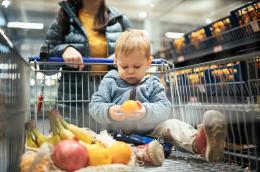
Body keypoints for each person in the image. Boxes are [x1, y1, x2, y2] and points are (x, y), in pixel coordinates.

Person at [89, 29, 227, 162]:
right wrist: (109, 111)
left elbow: (164, 108)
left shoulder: (152, 83)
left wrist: (145, 111)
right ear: (116, 61)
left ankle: (201, 143)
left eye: (137, 66)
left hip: (150, 134)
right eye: (124, 66)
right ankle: (146, 154)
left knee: (173, 125)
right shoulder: (110, 81)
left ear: (148, 63)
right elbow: (95, 105)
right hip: (115, 137)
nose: (130, 71)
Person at [43, 0, 131, 128]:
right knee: (72, 142)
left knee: (109, 141)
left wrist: (123, 53)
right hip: (74, 98)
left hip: (111, 93)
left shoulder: (120, 20)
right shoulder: (65, 17)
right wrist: (63, 50)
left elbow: (136, 49)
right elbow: (45, 66)